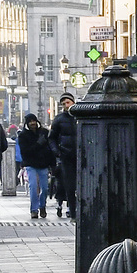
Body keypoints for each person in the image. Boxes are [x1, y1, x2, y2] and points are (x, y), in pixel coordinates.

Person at [17, 113, 56, 219]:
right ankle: (34, 210)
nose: (32, 123)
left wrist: (52, 164)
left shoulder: (44, 132)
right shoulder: (23, 136)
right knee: (33, 186)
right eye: (30, 121)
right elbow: (25, 152)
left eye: (33, 121)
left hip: (43, 164)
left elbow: (50, 149)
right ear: (27, 123)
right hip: (30, 164)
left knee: (45, 188)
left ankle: (42, 206)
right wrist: (38, 144)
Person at [49, 92, 80, 220]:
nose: (66, 106)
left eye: (67, 102)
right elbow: (51, 138)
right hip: (66, 156)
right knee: (70, 186)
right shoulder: (59, 119)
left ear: (73, 102)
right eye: (63, 104)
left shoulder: (80, 116)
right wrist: (57, 151)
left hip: (81, 156)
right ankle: (73, 213)